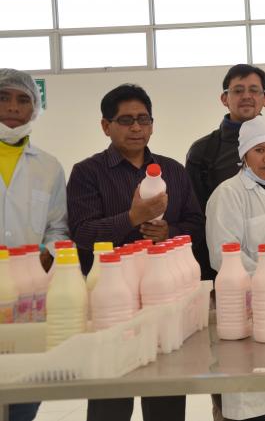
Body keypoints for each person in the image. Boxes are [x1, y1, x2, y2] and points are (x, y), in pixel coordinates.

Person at [66, 83, 204, 421]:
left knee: (166, 396)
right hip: (112, 302)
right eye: (126, 120)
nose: (137, 128)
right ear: (106, 126)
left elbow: (196, 226)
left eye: (144, 119)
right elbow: (82, 233)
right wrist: (132, 218)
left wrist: (169, 232)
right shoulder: (87, 173)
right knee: (110, 399)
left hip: (165, 298)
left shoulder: (173, 171)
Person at [205, 115, 265, 421]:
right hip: (247, 310)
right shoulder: (228, 194)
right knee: (246, 401)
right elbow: (223, 256)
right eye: (260, 150)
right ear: (244, 153)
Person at [186, 63, 265, 279]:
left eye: (254, 90)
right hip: (237, 280)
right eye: (238, 91)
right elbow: (200, 223)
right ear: (225, 98)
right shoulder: (205, 152)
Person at [0, 69, 68, 421]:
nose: (13, 107)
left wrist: (48, 253)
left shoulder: (49, 167)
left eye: (23, 99)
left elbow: (58, 228)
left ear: (35, 108)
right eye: (3, 98)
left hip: (29, 295)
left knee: (25, 393)